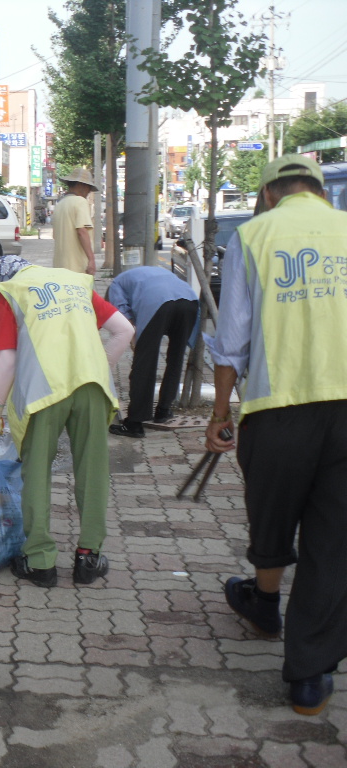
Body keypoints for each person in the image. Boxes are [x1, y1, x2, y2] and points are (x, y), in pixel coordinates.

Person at [206, 154, 347, 716]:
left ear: (269, 195)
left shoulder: (255, 235)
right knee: (333, 540)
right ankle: (309, 678)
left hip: (277, 406)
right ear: (321, 194)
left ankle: (264, 602)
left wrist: (221, 415)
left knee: (271, 513)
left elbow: (232, 338)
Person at [0, 255, 133, 588]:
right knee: (92, 471)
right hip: (92, 386)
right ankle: (89, 559)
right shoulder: (76, 282)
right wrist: (92, 365)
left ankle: (40, 563)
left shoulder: (7, 291)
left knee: (37, 471)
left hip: (44, 391)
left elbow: (7, 360)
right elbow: (125, 331)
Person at [106, 266, 199, 437]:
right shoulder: (148, 273)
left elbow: (122, 316)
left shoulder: (115, 285)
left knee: (145, 363)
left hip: (158, 302)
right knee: (176, 358)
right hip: (190, 301)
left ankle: (134, 423)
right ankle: (163, 410)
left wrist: (136, 341)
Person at [53, 168, 98, 276]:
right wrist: (91, 259)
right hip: (77, 268)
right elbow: (82, 231)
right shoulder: (80, 202)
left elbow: (55, 235)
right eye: (88, 188)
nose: (88, 192)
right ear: (81, 185)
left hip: (59, 267)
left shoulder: (60, 205)